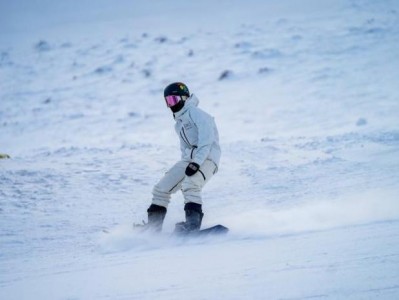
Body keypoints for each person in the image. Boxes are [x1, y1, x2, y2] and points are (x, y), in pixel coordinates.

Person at [142, 82, 221, 234]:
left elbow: (207, 141)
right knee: (161, 189)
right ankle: (152, 229)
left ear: (184, 98)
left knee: (190, 184)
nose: (171, 105)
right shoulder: (179, 124)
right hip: (190, 160)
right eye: (168, 101)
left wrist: (196, 163)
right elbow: (184, 149)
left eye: (173, 100)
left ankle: (192, 226)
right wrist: (186, 164)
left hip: (208, 159)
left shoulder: (197, 114)